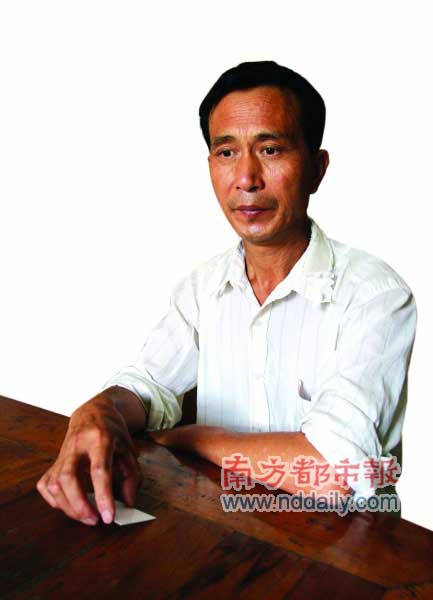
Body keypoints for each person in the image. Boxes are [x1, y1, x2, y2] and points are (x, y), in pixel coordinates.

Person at [36, 61, 417, 525]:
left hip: (347, 547)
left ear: (317, 169)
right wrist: (97, 410)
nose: (246, 178)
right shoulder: (203, 287)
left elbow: (334, 472)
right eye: (226, 152)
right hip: (228, 534)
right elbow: (148, 387)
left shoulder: (375, 295)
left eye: (271, 149)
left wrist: (196, 437)